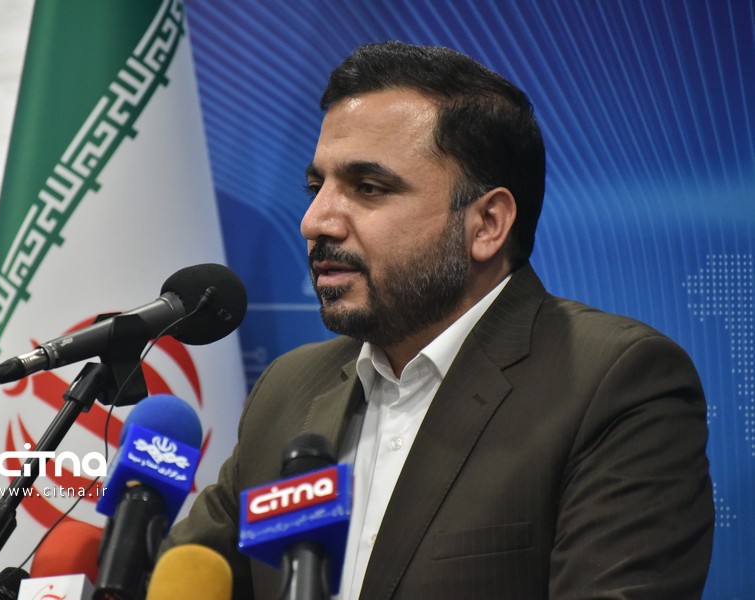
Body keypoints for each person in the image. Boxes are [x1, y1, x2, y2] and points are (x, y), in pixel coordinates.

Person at [161, 41, 714, 599]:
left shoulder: (612, 384)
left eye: (368, 188)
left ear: (487, 224)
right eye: (316, 187)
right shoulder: (287, 390)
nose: (315, 221)